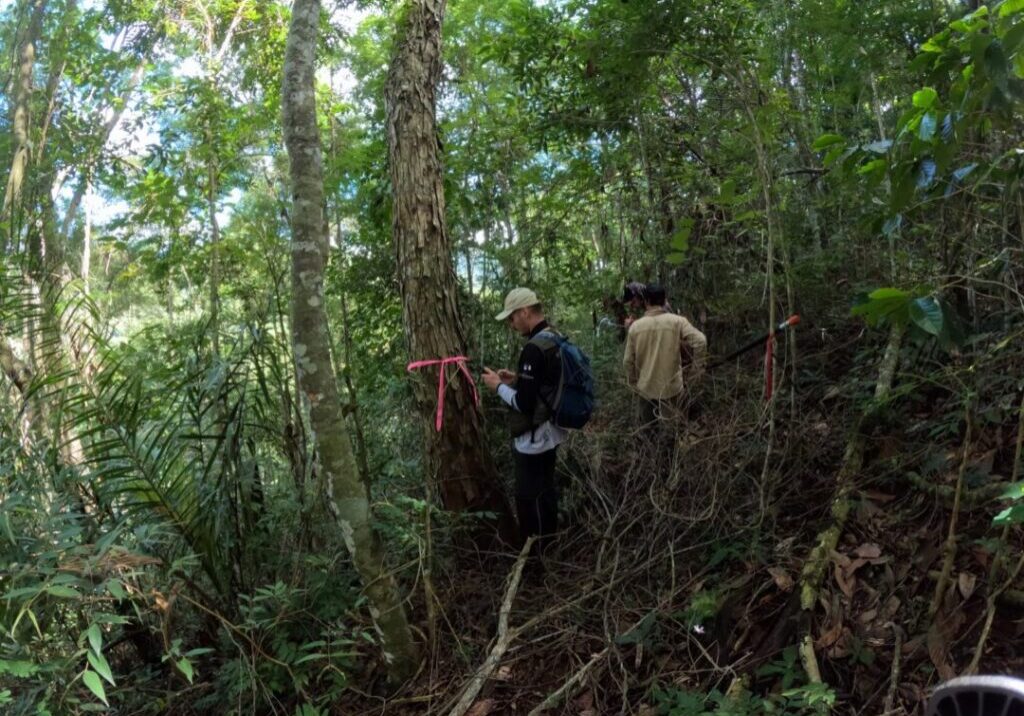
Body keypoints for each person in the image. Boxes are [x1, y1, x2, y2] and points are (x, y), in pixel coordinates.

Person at [482, 288, 565, 561]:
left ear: (525, 312)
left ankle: (536, 558)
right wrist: (517, 379)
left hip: (535, 439)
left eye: (512, 317)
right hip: (552, 432)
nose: (511, 323)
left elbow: (525, 404)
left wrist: (497, 387)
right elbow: (545, 383)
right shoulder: (553, 337)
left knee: (530, 500)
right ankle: (549, 547)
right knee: (546, 492)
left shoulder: (533, 348)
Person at [623, 284, 707, 428]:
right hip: (671, 387)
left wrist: (634, 384)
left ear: (646, 301)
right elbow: (701, 341)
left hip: (645, 388)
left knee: (648, 431)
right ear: (664, 300)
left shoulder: (635, 327)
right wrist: (696, 372)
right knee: (672, 430)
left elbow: (627, 361)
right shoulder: (678, 321)